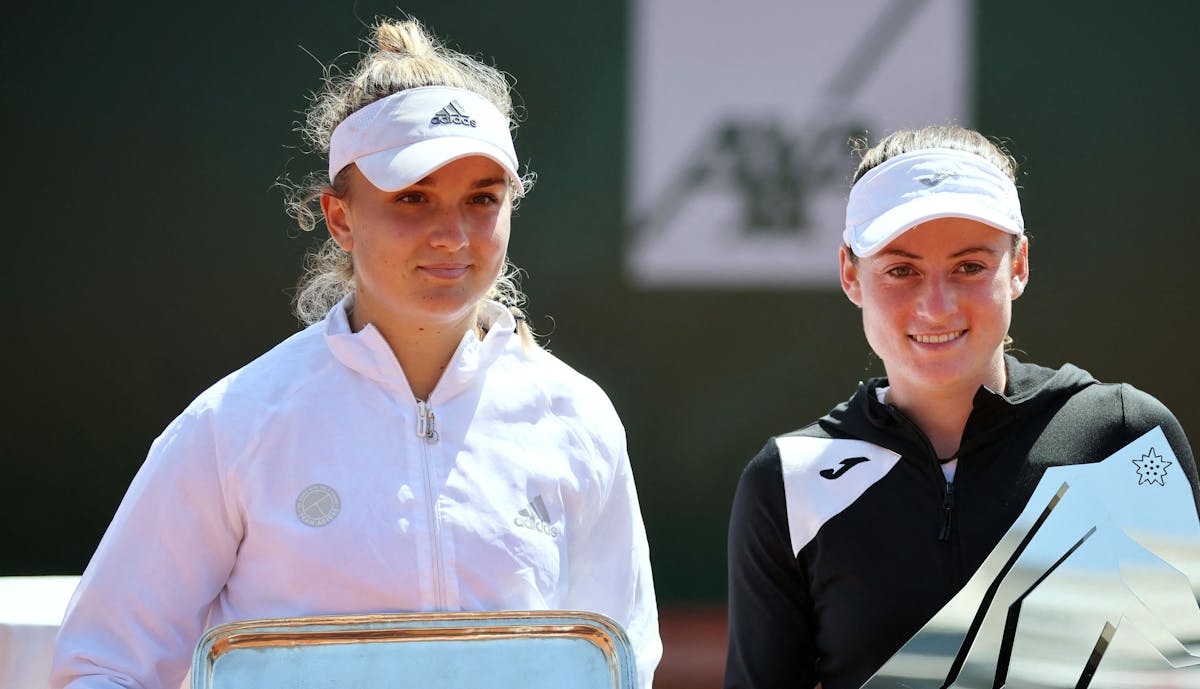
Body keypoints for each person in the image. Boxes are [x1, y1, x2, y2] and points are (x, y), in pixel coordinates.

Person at [50, 17, 661, 689]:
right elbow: (102, 666)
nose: (452, 236)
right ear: (340, 216)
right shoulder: (233, 425)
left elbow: (619, 664)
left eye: (482, 200)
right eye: (413, 198)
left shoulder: (578, 418)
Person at [723, 125, 1198, 689]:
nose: (936, 305)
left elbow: (1179, 674)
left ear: (1017, 265)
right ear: (851, 274)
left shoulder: (1126, 439)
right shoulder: (789, 481)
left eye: (970, 266)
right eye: (902, 270)